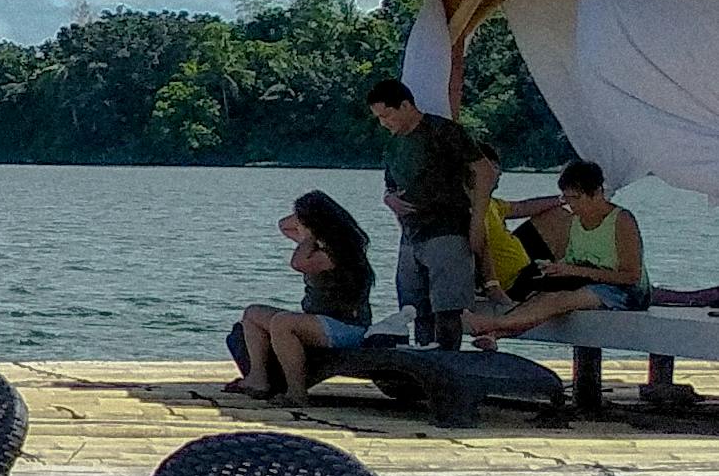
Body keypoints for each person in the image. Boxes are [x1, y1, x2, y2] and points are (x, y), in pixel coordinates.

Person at [226, 190, 375, 402]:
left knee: (283, 323)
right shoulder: (318, 245)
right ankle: (258, 378)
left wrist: (310, 234)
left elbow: (298, 263)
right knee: (253, 314)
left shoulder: (338, 252)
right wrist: (304, 218)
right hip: (322, 322)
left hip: (346, 327)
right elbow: (284, 225)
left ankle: (297, 392)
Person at [469, 160, 648, 336]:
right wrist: (556, 269)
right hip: (590, 282)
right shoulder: (576, 220)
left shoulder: (621, 221)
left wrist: (575, 271)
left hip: (624, 292)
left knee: (560, 300)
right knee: (541, 295)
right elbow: (574, 262)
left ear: (597, 193)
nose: (572, 205)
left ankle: (493, 325)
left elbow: (631, 277)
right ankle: (495, 334)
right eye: (568, 199)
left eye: (576, 198)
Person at [367, 76, 478, 346]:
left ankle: (448, 362)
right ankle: (422, 359)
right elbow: (390, 187)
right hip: (411, 235)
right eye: (379, 118)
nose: (385, 123)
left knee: (447, 309)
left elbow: (483, 170)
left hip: (447, 229)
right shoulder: (393, 144)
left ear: (405, 106)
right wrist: (389, 199)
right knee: (415, 308)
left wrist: (477, 221)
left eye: (388, 115)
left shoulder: (443, 131)